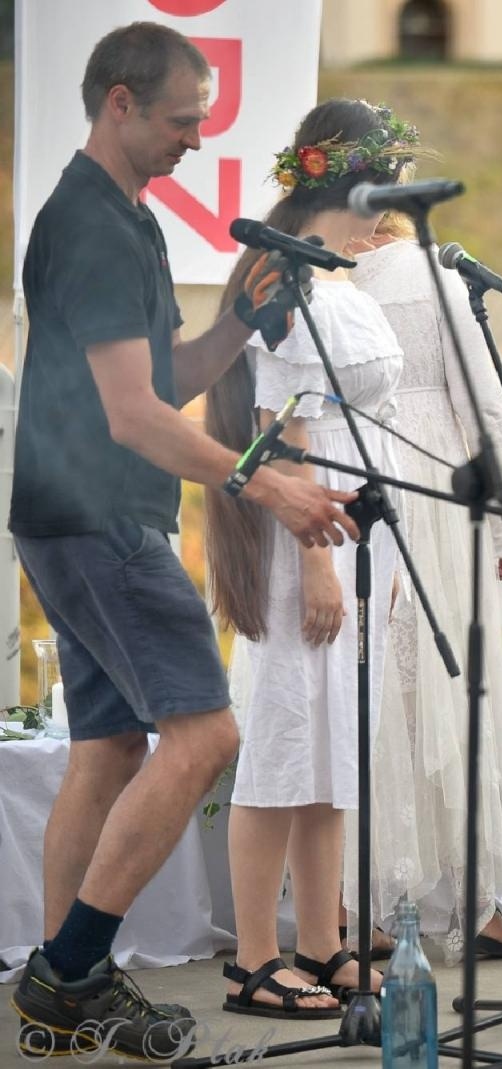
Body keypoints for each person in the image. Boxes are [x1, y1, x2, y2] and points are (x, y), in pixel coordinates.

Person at [7, 23, 354, 1058]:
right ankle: (68, 970)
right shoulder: (95, 226)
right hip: (103, 517)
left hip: (72, 516)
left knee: (110, 747)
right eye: (180, 120)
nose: (195, 140)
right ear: (118, 102)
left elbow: (171, 378)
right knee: (206, 737)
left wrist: (244, 316)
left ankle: (70, 981)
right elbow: (134, 418)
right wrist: (265, 480)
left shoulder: (124, 218)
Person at [203, 98, 418, 1015]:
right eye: (386, 189)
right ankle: (255, 956)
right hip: (308, 535)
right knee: (286, 739)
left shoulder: (339, 281)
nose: (390, 212)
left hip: (356, 533)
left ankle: (323, 940)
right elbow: (283, 424)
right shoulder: (288, 279)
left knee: (334, 746)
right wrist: (319, 559)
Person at [347, 209, 502, 964]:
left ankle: (364, 907)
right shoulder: (437, 274)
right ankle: (473, 901)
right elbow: (483, 405)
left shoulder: (320, 276)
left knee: (375, 695)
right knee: (453, 696)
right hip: (434, 485)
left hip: (349, 476)